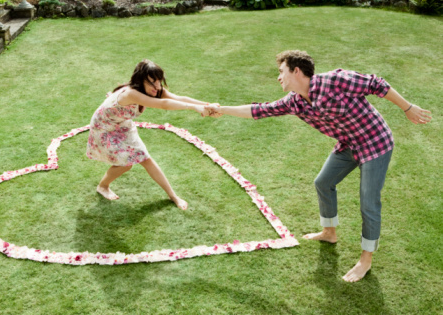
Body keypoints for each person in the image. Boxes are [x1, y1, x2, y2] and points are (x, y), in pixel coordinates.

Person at [204, 50, 432, 282]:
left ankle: (366, 260)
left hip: (375, 142)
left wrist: (407, 107)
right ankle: (329, 232)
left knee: (368, 201)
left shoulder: (335, 81)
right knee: (323, 182)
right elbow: (260, 110)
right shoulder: (295, 102)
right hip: (350, 144)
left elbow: (377, 84)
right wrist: (221, 109)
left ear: (296, 70)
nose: (278, 77)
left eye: (281, 71)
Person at [86, 59, 212, 210]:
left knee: (146, 158)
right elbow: (163, 104)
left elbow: (179, 98)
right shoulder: (132, 94)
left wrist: (206, 105)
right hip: (104, 127)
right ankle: (103, 186)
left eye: (159, 81)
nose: (157, 87)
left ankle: (173, 196)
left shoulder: (155, 89)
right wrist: (195, 108)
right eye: (152, 82)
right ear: (141, 81)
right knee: (126, 164)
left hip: (122, 124)